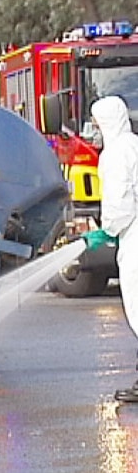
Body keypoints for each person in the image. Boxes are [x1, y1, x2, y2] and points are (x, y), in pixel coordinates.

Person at [84, 96, 138, 402]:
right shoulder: (134, 145)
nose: (94, 129)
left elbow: (120, 204)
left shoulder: (115, 154)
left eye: (96, 123)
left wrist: (107, 231)